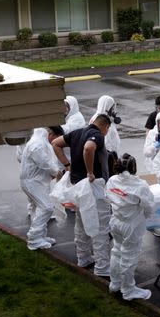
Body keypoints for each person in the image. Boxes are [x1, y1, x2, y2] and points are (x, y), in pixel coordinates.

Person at [52, 114, 113, 276]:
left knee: (82, 222)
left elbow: (55, 143)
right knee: (100, 226)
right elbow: (88, 147)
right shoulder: (98, 135)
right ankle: (102, 267)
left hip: (78, 187)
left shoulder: (77, 132)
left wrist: (67, 165)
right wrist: (90, 171)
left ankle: (83, 257)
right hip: (93, 187)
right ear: (105, 126)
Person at [106, 153, 155, 301]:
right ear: (134, 167)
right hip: (131, 225)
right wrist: (144, 217)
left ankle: (115, 284)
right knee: (128, 257)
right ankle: (128, 290)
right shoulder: (140, 185)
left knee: (116, 251)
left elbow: (108, 197)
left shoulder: (112, 180)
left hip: (115, 221)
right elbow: (149, 207)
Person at [20, 126, 64, 250]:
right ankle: (34, 239)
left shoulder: (41, 141)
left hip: (36, 181)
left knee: (39, 207)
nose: (55, 142)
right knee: (47, 207)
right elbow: (44, 161)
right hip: (32, 182)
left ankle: (40, 236)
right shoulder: (38, 144)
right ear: (51, 134)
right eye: (56, 138)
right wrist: (56, 172)